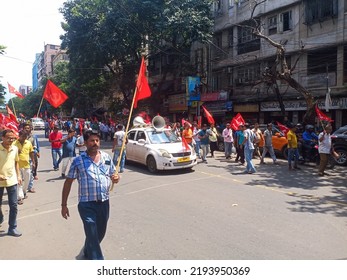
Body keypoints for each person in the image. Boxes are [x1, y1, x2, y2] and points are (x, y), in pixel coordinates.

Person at [61, 130, 120, 260]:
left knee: (100, 234)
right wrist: (64, 205)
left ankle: (87, 252)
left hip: (104, 202)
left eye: (97, 140)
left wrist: (116, 177)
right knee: (92, 233)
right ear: (86, 143)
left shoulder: (106, 157)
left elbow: (112, 174)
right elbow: (68, 182)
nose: (95, 143)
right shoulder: (78, 161)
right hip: (86, 204)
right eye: (92, 141)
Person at [0, 129, 23, 237]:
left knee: (13, 205)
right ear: (2, 138)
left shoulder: (15, 148)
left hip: (12, 181)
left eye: (13, 138)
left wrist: (18, 176)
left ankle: (12, 227)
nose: (11, 140)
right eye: (9, 137)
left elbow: (16, 163)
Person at [13, 130, 35, 204]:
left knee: (27, 180)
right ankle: (20, 197)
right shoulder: (14, 143)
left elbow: (31, 152)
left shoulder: (28, 143)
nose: (24, 138)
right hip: (17, 165)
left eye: (25, 137)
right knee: (19, 181)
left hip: (26, 165)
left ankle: (24, 192)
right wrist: (16, 152)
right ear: (19, 136)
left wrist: (33, 162)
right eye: (22, 137)